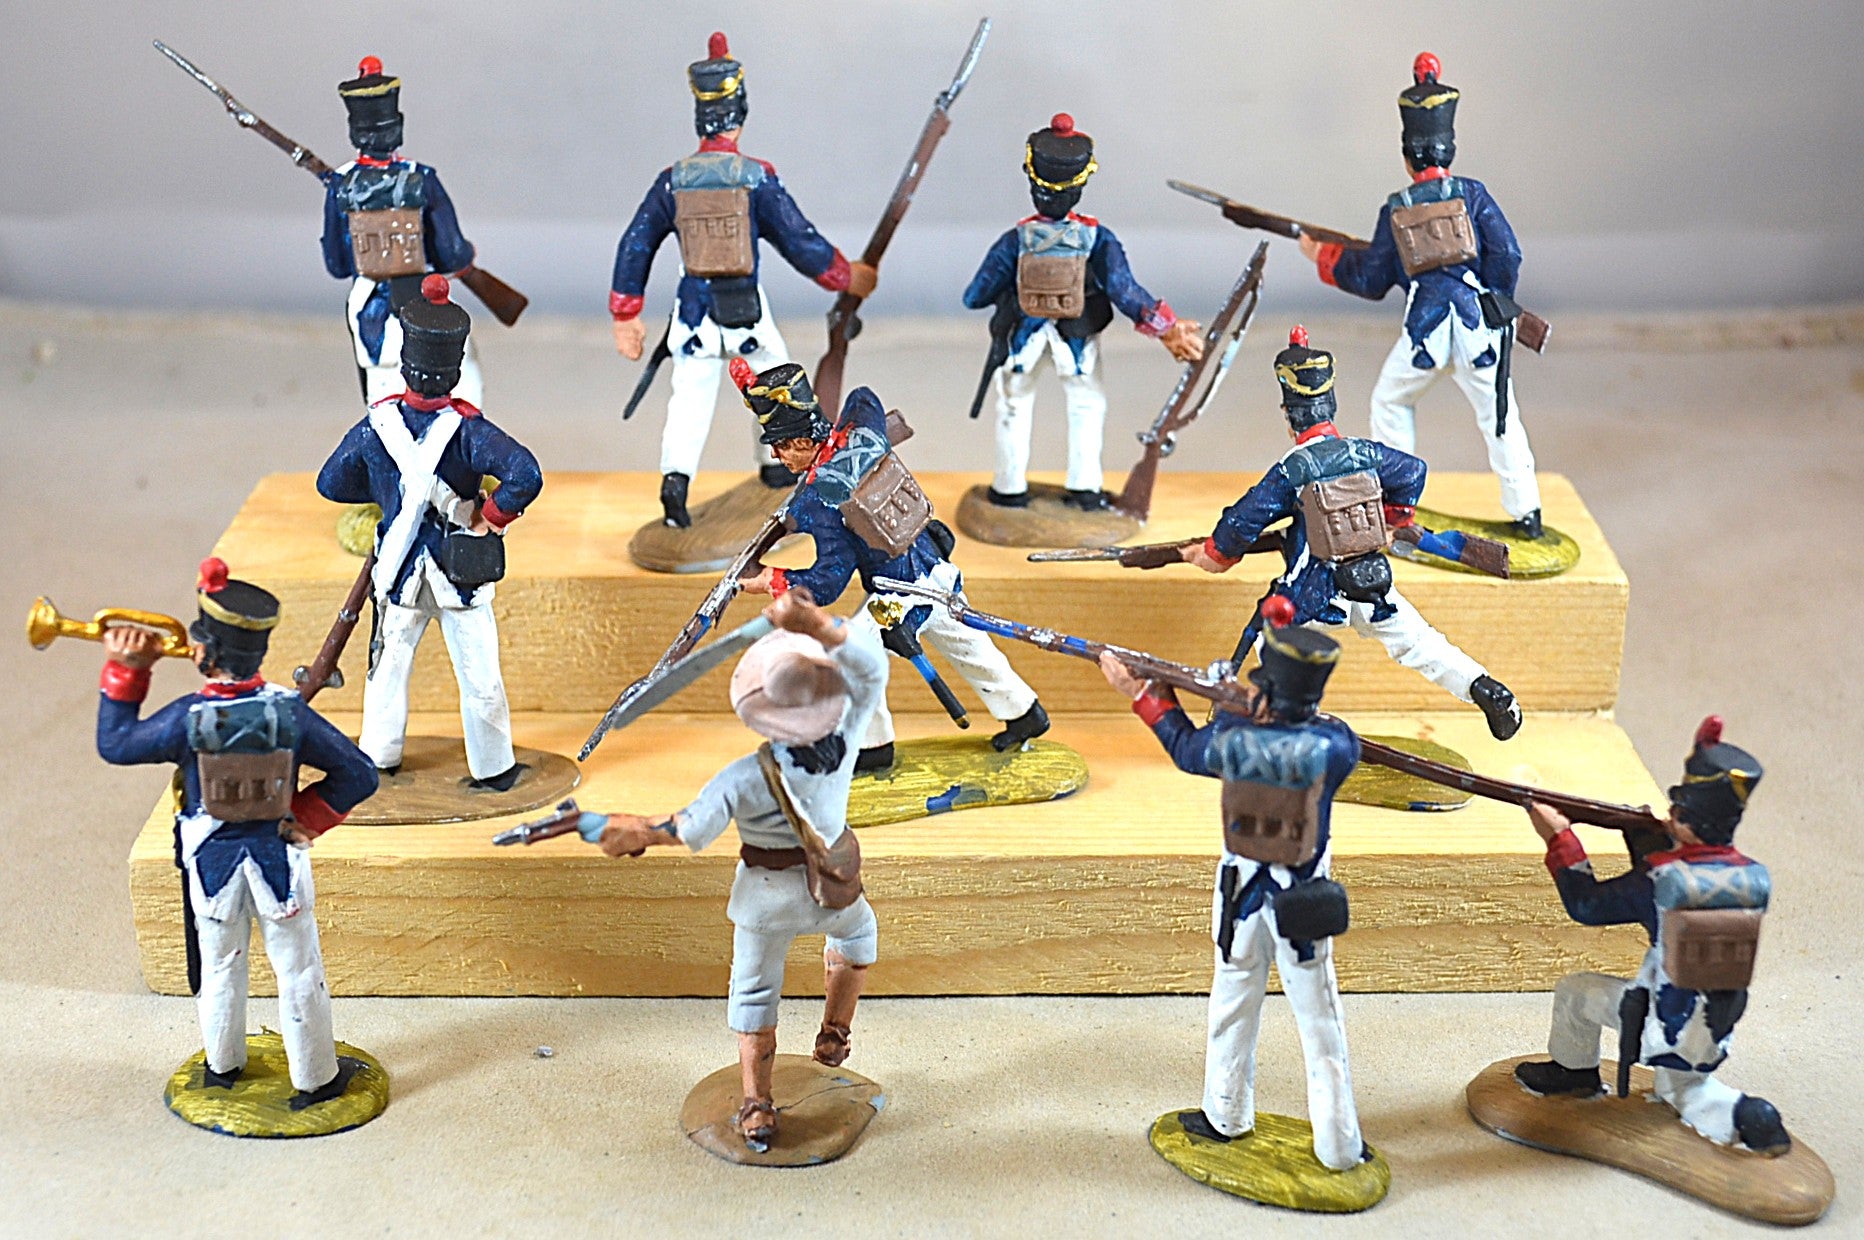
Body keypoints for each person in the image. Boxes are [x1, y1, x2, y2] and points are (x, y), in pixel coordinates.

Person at [584, 589, 884, 1153]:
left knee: (753, 994)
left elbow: (689, 829)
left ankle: (756, 1104)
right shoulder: (845, 743)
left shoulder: (742, 777)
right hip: (834, 893)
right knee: (859, 939)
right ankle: (835, 1033)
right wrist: (818, 624)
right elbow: (873, 669)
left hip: (764, 902)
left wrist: (639, 831)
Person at [1099, 600, 1370, 1171]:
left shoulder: (1234, 742)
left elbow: (1186, 748)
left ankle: (1225, 1115)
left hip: (1242, 896)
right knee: (1321, 1025)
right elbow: (1335, 737)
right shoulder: (1335, 746)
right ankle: (1340, 1146)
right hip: (1301, 902)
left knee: (1231, 1007)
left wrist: (1147, 695)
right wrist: (1242, 707)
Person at [97, 558, 378, 1107]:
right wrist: (303, 819)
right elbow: (360, 775)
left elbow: (117, 743)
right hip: (279, 858)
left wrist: (127, 669)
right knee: (299, 970)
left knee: (221, 966)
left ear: (207, 654)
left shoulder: (186, 718)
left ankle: (223, 1068)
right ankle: (317, 1078)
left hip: (210, 862)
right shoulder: (290, 713)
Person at [1183, 326, 1521, 740]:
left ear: (1288, 415)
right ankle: (1484, 688)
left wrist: (1215, 554)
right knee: (1419, 642)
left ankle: (1264, 722)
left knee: (1269, 641)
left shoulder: (1293, 468)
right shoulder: (1366, 452)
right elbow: (1413, 470)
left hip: (1312, 593)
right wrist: (1395, 517)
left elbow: (1243, 520)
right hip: (1371, 582)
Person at [609, 31, 877, 528]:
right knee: (778, 383)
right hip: (746, 313)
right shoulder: (756, 176)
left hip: (692, 316)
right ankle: (776, 468)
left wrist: (626, 313)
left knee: (688, 402)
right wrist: (844, 276)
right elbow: (799, 240)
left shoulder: (672, 180)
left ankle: (675, 486)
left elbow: (636, 243)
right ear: (740, 113)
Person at [731, 360, 1049, 767]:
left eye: (781, 445)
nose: (776, 455)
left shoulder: (818, 499)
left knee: (851, 657)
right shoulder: (859, 433)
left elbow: (827, 583)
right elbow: (863, 396)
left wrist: (771, 579)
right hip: (936, 569)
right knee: (969, 646)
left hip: (897, 592)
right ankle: (1024, 713)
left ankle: (873, 747)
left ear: (802, 442)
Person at [1513, 716, 1790, 1155]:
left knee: (1576, 992)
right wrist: (1638, 830)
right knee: (1686, 1089)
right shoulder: (1752, 876)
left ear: (1687, 817)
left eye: (1678, 808)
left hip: (1658, 1016)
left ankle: (1574, 1074)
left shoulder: (1661, 877)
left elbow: (1587, 906)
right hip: (1714, 1024)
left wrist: (1561, 837)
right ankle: (1752, 1119)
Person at [1296, 53, 1542, 538]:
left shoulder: (1397, 207)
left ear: (1408, 156)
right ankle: (1527, 512)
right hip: (1477, 328)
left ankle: (1397, 504)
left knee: (1390, 402)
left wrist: (1323, 256)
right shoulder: (1474, 194)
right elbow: (1508, 254)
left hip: (1425, 330)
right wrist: (1495, 302)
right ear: (1449, 148)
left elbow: (1371, 279)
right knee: (1500, 418)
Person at [317, 275, 543, 788]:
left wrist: (387, 496)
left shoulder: (374, 429)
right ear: (454, 371)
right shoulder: (470, 431)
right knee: (479, 677)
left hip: (397, 573)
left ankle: (379, 758)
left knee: (387, 671)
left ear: (406, 365)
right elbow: (525, 474)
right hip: (459, 570)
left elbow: (331, 483)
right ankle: (494, 768)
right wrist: (491, 516)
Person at [962, 113, 1203, 510]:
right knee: (1087, 406)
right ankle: (1085, 488)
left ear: (1033, 184)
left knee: (1013, 406)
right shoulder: (1097, 237)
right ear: (1079, 187)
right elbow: (1125, 291)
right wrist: (1168, 328)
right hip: (1077, 338)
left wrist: (1012, 292)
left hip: (1022, 338)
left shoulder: (1015, 240)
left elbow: (974, 296)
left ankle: (1007, 488)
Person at [321, 56, 485, 406]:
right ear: (398, 126)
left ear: (355, 131)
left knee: (381, 401)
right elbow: (451, 253)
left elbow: (336, 264)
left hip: (370, 315)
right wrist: (465, 257)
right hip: (425, 301)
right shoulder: (422, 178)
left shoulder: (340, 185)